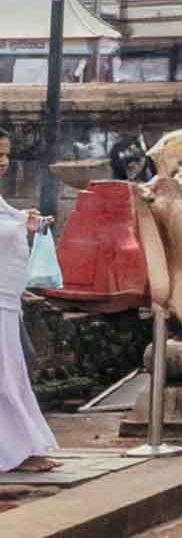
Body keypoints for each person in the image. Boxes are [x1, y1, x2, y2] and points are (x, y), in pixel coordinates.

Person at [0, 129, 58, 474]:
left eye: (5, 155)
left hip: (7, 302)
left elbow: (8, 220)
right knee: (6, 375)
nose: (3, 163)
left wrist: (27, 221)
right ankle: (20, 451)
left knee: (12, 374)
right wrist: (23, 225)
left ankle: (22, 449)